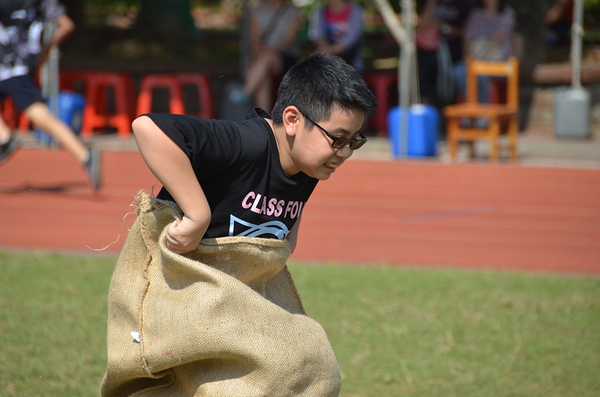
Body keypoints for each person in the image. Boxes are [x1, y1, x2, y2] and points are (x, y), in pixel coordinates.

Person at [133, 53, 377, 254]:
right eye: (338, 139)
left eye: (354, 141)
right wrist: (198, 216)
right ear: (292, 120)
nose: (345, 152)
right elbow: (148, 128)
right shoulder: (246, 142)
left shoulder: (308, 164)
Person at [0, 0, 101, 190]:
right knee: (41, 116)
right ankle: (85, 155)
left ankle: (5, 139)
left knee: (41, 117)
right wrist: (45, 49)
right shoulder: (43, 2)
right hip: (23, 64)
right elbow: (67, 25)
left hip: (5, 65)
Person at [231, 0, 303, 112]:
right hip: (262, 57)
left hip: (285, 56)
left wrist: (272, 50)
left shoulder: (292, 11)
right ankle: (264, 120)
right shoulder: (258, 10)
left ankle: (245, 93)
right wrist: (260, 50)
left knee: (266, 60)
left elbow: (290, 39)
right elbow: (254, 38)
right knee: (263, 79)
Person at [453, 0, 516, 104]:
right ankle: (471, 107)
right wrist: (469, 57)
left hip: (498, 63)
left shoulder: (507, 12)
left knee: (480, 75)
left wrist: (481, 59)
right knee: (458, 71)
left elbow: (498, 38)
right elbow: (467, 38)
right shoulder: (475, 13)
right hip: (475, 59)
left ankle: (482, 113)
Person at [415, 0, 475, 106]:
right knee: (419, 56)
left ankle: (440, 104)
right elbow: (421, 25)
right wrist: (431, 3)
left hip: (453, 52)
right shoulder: (431, 3)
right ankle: (423, 101)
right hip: (431, 51)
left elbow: (467, 33)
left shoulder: (462, 5)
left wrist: (443, 27)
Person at [308, 0, 365, 72]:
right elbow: (316, 34)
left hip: (350, 60)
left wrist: (331, 50)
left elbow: (351, 38)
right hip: (326, 58)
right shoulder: (320, 11)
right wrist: (325, 50)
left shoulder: (356, 10)